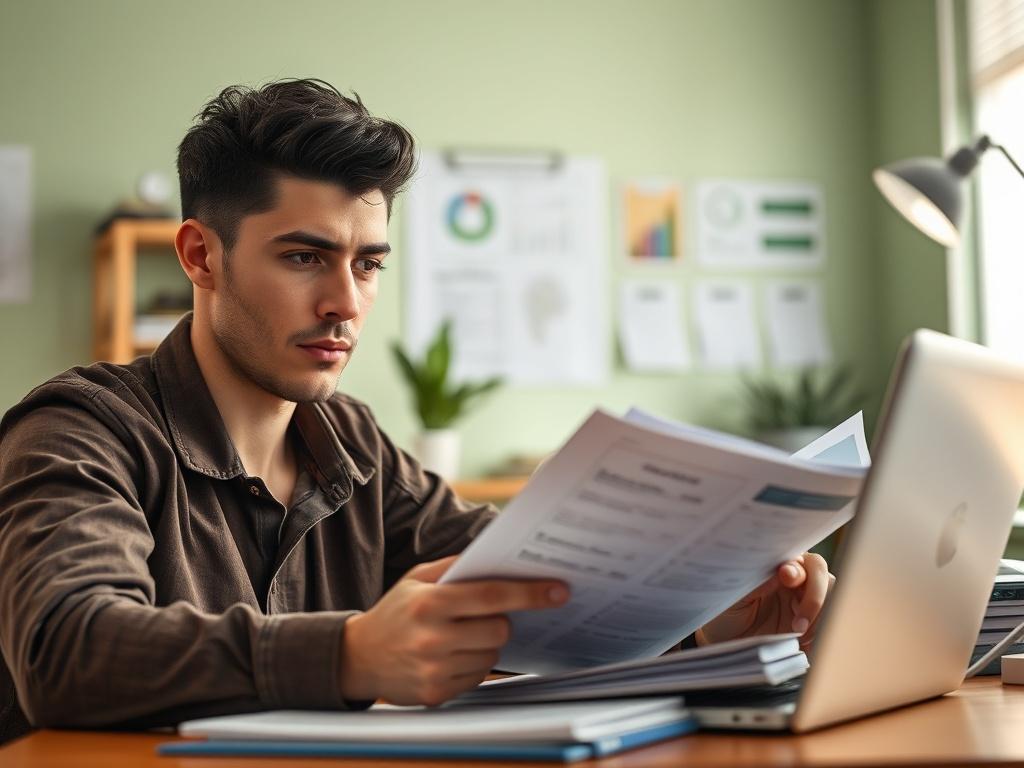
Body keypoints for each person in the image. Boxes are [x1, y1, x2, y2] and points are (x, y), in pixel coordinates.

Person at [0, 79, 833, 743]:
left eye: (368, 264)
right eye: (304, 257)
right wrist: (354, 653)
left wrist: (706, 622)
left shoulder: (352, 441)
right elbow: (65, 649)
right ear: (199, 255)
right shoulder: (81, 430)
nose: (344, 303)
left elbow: (529, 586)